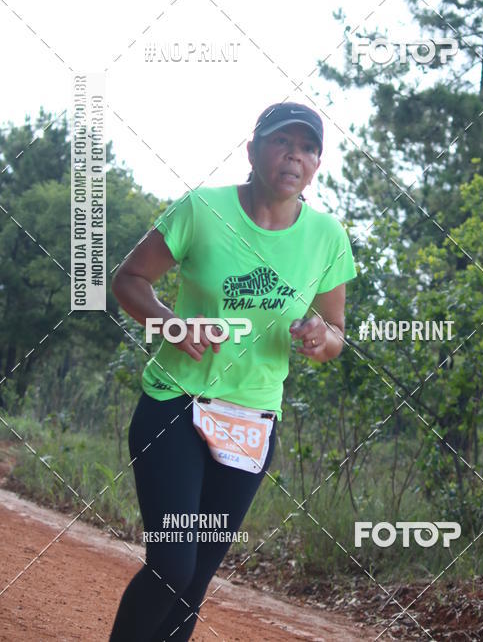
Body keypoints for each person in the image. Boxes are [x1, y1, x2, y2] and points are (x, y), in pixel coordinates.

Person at [109, 101, 357, 641]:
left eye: (308, 147)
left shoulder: (327, 238)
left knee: (194, 581)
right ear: (253, 150)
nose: (294, 155)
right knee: (172, 565)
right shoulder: (202, 210)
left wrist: (321, 338)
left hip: (252, 419)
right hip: (177, 401)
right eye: (281, 142)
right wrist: (172, 324)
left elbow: (335, 332)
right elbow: (128, 280)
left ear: (317, 164)